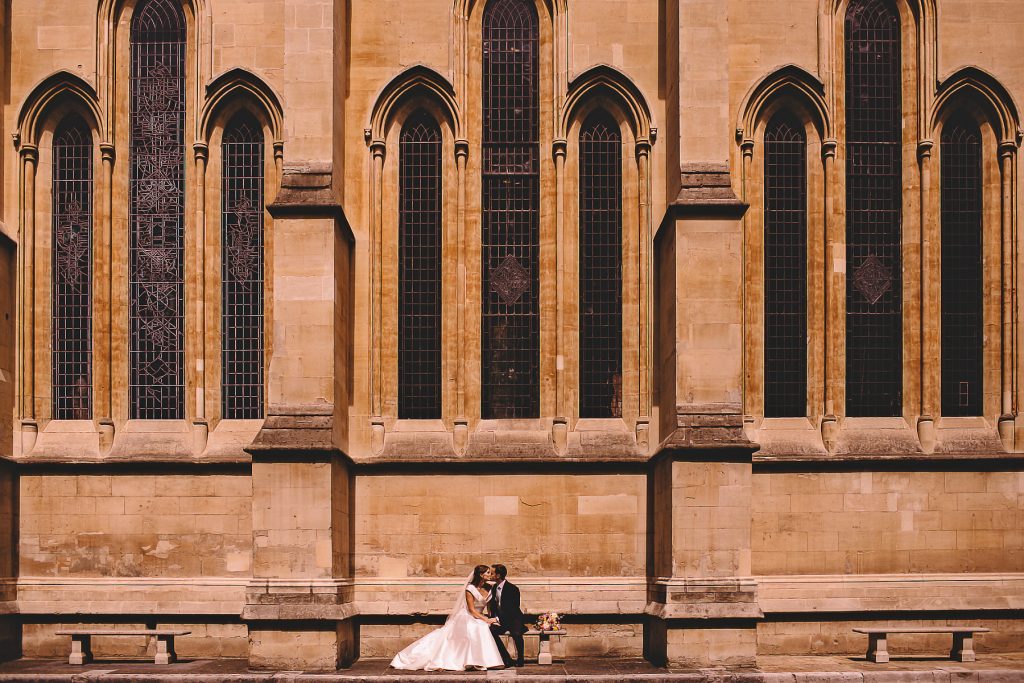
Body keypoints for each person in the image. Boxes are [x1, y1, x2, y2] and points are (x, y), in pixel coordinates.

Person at [390, 565, 506, 671]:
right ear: (481, 575)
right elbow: (471, 610)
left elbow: (490, 608)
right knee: (475, 627)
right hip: (467, 615)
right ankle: (469, 661)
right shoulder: (470, 589)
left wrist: (492, 619)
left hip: (480, 616)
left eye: (491, 573)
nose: (491, 575)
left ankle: (489, 661)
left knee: (483, 626)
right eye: (488, 573)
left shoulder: (490, 588)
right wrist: (485, 619)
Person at [488, 563, 527, 667]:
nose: (489, 575)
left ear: (498, 575)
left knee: (517, 633)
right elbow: (493, 605)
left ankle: (520, 658)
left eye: (492, 573)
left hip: (514, 619)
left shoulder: (512, 589)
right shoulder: (493, 588)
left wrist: (497, 619)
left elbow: (512, 609)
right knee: (490, 631)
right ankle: (506, 658)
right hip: (500, 620)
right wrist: (493, 618)